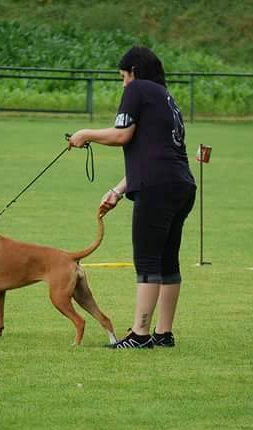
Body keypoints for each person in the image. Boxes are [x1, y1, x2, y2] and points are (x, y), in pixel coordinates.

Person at [68, 46, 196, 349]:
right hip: (181, 186)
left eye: (123, 76)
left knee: (148, 260)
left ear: (134, 72)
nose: (124, 83)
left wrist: (85, 133)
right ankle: (163, 333)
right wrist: (118, 190)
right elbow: (157, 154)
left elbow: (122, 134)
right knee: (167, 261)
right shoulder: (166, 98)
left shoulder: (137, 89)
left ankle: (139, 334)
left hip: (158, 188)